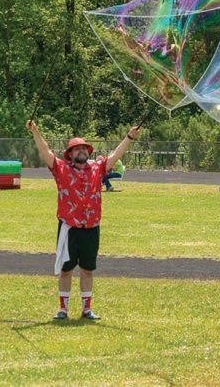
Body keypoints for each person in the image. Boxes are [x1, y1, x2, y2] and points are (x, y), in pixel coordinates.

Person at [27, 119, 140, 321]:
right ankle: (63, 309)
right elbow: (45, 152)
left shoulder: (98, 168)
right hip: (69, 227)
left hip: (91, 227)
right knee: (66, 270)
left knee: (87, 270)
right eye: (77, 148)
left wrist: (129, 137)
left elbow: (116, 155)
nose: (82, 151)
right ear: (70, 154)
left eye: (84, 148)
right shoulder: (61, 168)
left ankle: (87, 309)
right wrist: (35, 131)